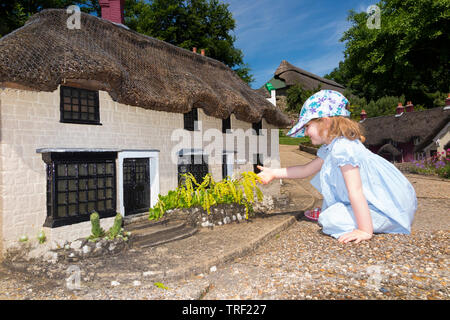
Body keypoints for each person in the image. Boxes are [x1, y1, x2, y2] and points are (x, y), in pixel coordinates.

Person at [257, 90, 417, 244]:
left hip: (384, 211)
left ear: (325, 122)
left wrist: (364, 230)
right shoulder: (333, 148)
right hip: (376, 206)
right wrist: (274, 173)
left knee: (329, 219)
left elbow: (356, 191)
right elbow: (306, 170)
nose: (306, 133)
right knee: (329, 213)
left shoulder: (343, 149)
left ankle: (363, 223)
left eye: (307, 126)